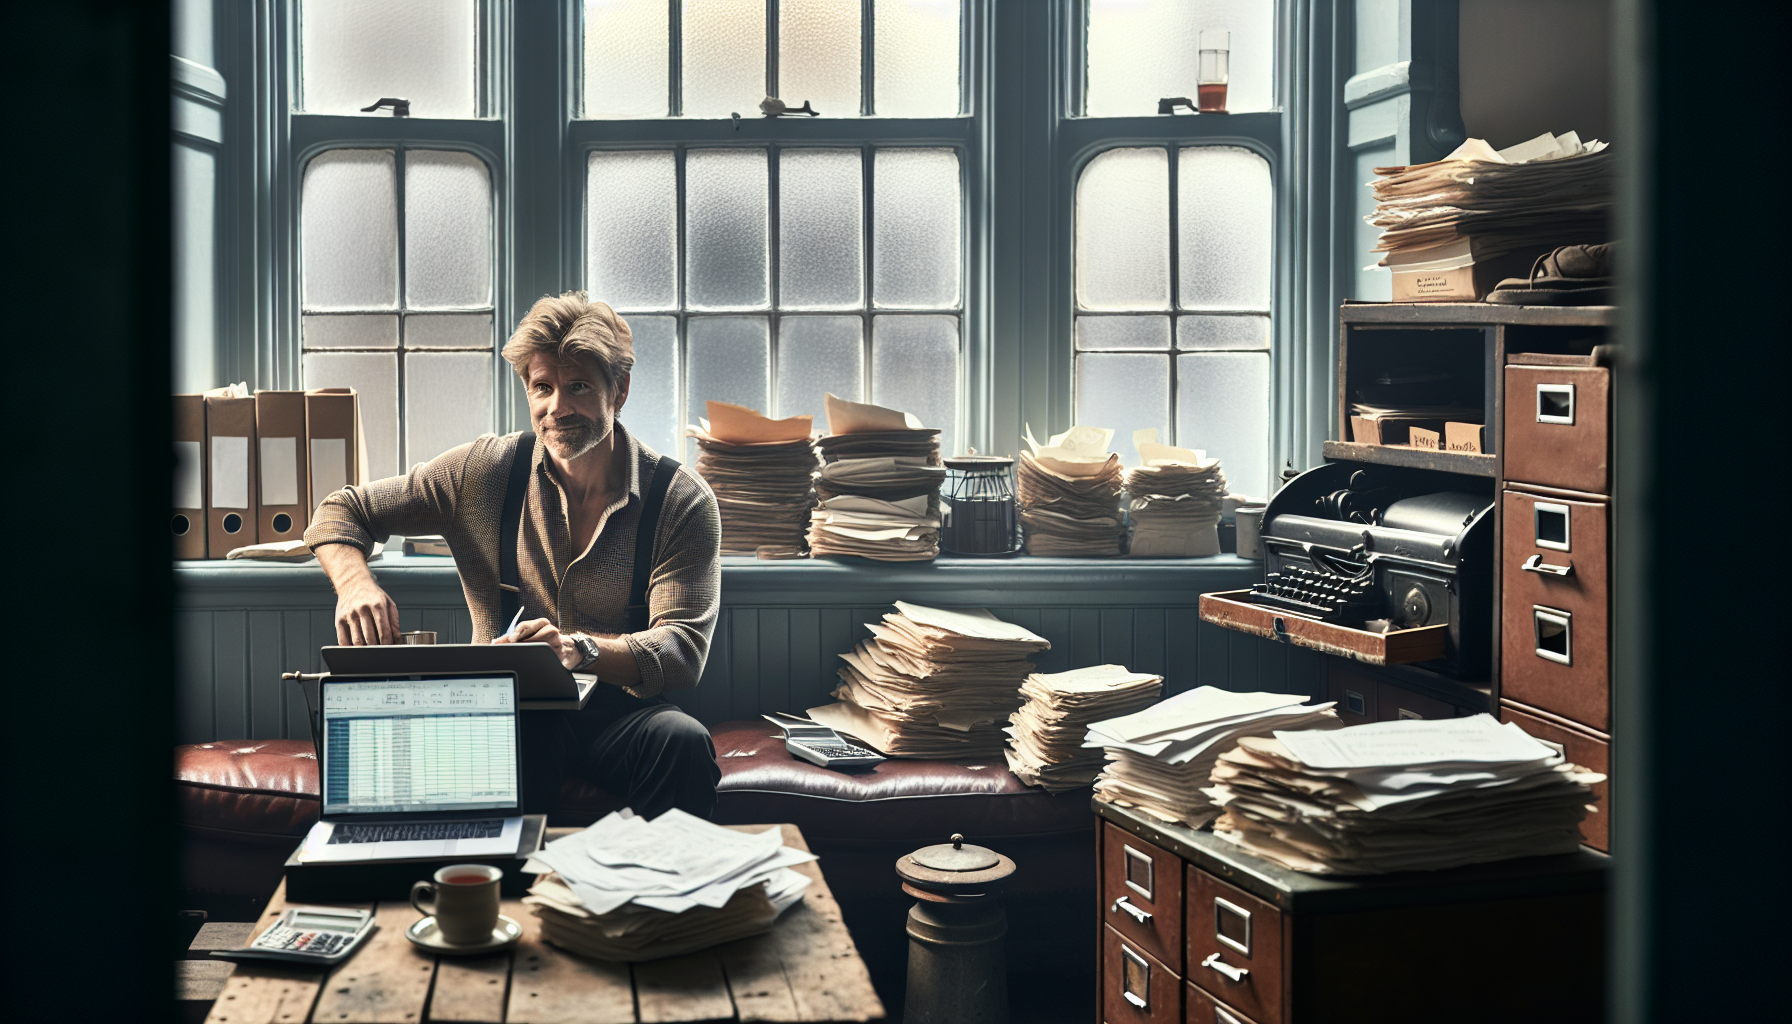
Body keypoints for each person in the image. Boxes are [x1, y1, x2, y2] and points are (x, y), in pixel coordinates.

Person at [304, 292, 723, 819]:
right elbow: (341, 510)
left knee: (682, 741)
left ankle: (664, 899)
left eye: (578, 387)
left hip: (627, 717)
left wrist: (577, 650)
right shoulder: (484, 475)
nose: (557, 408)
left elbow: (682, 651)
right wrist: (355, 585)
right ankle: (507, 896)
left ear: (619, 390)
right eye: (542, 388)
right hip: (510, 712)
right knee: (511, 743)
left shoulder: (679, 500)